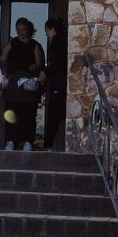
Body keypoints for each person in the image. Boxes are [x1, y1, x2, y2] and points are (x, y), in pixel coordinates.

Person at [0, 18, 46, 150]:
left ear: (28, 30)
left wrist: (34, 68)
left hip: (28, 84)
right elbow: (2, 61)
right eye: (18, 30)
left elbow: (39, 64)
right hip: (13, 84)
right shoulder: (11, 44)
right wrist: (3, 77)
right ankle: (10, 141)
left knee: (29, 114)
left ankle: (28, 142)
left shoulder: (34, 45)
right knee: (11, 113)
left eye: (23, 30)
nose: (21, 32)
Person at [42, 18, 69, 151]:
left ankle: (48, 144)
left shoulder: (57, 43)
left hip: (58, 81)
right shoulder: (63, 41)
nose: (46, 35)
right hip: (60, 80)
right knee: (57, 112)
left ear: (52, 30)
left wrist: (45, 73)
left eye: (47, 31)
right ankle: (50, 143)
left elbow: (58, 63)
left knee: (55, 112)